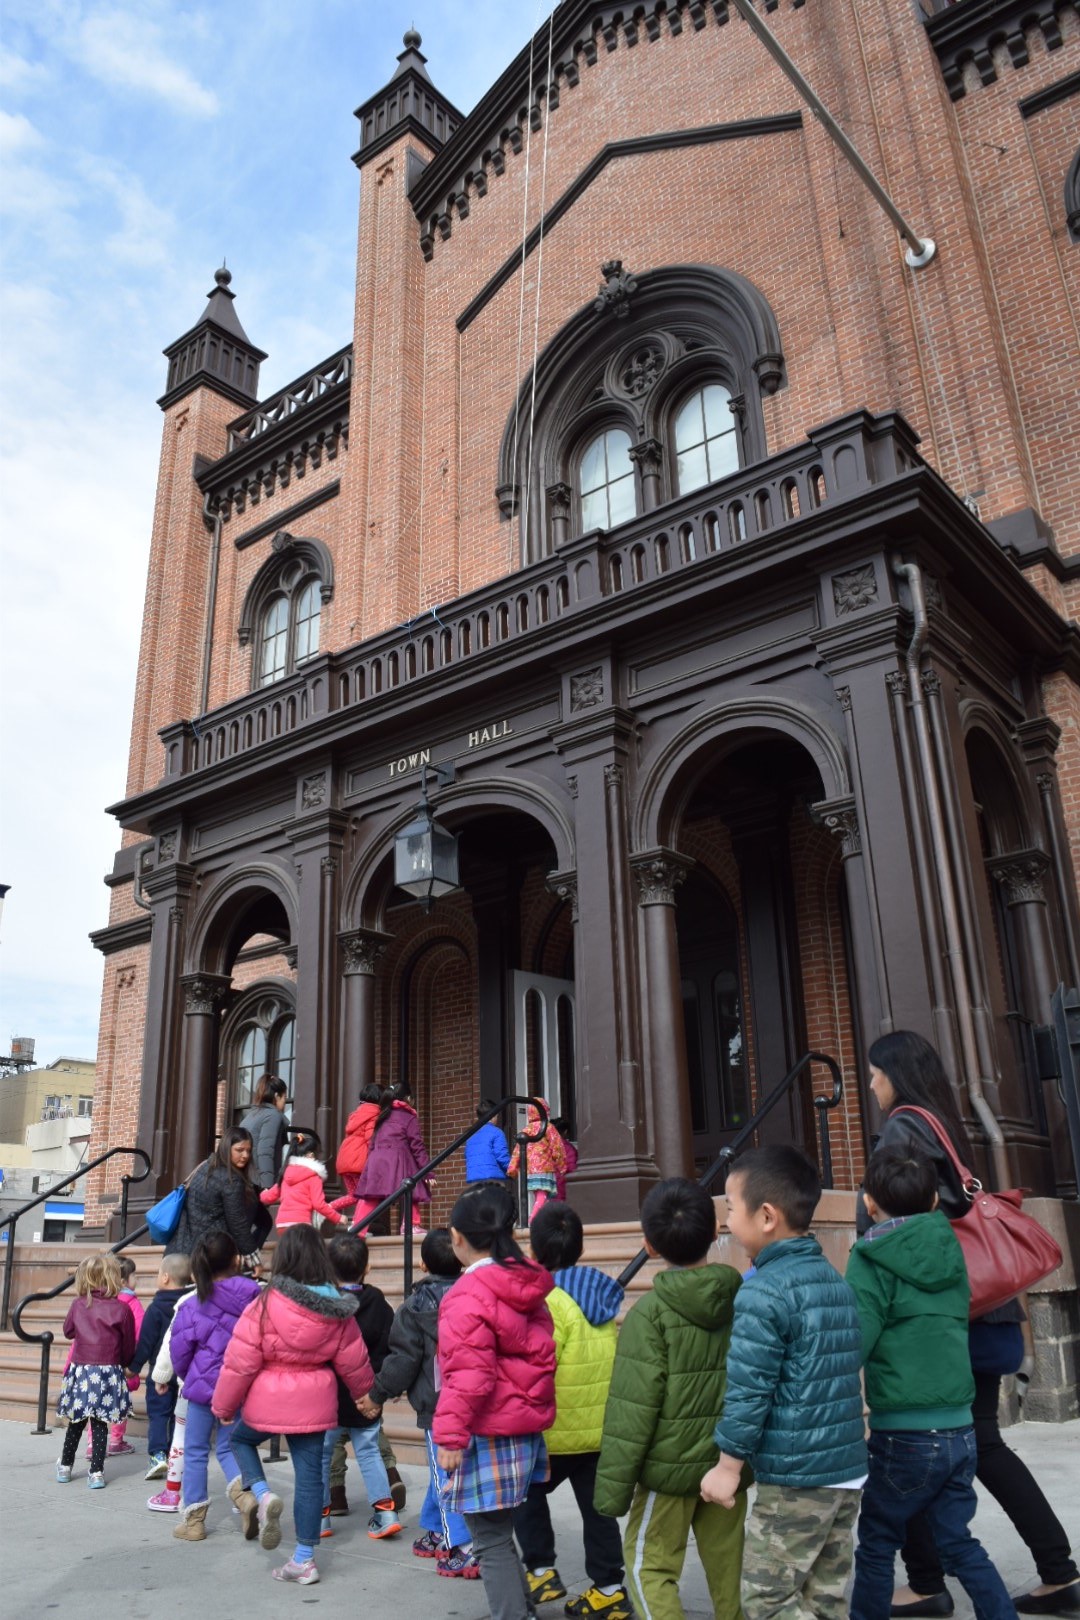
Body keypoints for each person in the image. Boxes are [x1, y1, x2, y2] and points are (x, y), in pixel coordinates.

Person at [868, 1030, 1080, 1618]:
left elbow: (901, 1226)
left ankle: (928, 1583)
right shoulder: (944, 1122)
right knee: (982, 1444)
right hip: (986, 1312)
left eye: (875, 1074)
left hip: (943, 1322)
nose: (871, 1085)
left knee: (909, 1448)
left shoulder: (903, 1127)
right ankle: (1057, 1572)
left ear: (894, 1074)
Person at [846, 1146, 1015, 1620]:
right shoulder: (952, 1247)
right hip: (961, 1430)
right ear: (936, 1204)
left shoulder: (870, 1257)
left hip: (905, 1432)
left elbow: (856, 1342)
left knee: (878, 1543)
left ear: (869, 1203)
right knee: (959, 1543)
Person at [702, 1146, 866, 1620]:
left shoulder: (763, 1290)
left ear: (767, 1216)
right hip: (845, 1467)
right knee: (825, 1597)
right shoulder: (833, 1280)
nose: (727, 1221)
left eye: (731, 1207)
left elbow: (750, 1388)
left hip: (796, 1477)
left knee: (767, 1600)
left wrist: (728, 1466)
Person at [596, 1178, 744, 1620]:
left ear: (650, 1245)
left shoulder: (649, 1316)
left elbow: (632, 1409)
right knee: (730, 1568)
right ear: (716, 1230)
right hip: (728, 1461)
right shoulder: (745, 1299)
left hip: (668, 1470)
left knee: (648, 1568)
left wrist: (612, 1492)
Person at [212, 1224, 374, 1587]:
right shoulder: (336, 1306)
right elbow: (354, 1359)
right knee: (310, 1477)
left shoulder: (264, 1304)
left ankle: (263, 1492)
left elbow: (240, 1362)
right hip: (315, 1402)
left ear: (282, 1258)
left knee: (240, 1440)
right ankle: (304, 1559)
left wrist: (224, 1406)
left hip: (266, 1400)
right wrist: (367, 1396)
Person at [432, 1182, 556, 1620]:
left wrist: (448, 1434)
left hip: (484, 1429)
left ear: (458, 1238)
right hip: (518, 1426)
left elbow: (469, 1373)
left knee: (489, 1538)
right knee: (499, 1533)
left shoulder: (467, 1294)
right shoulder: (522, 1283)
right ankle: (522, 1611)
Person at [516, 1200, 629, 1619]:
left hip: (553, 1431)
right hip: (598, 1429)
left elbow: (540, 1363)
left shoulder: (548, 1301)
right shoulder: (600, 1294)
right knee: (599, 1514)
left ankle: (542, 1569)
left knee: (525, 1494)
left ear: (537, 1250)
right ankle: (610, 1589)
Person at [361, 1226, 472, 1573]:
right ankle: (438, 1528)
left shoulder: (413, 1309)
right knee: (448, 1470)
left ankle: (463, 1544)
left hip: (436, 1404)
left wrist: (377, 1393)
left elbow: (402, 1361)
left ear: (423, 1266)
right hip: (471, 1397)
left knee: (446, 1474)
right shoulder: (474, 1295)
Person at [168, 1230, 261, 1542]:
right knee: (229, 1447)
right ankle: (244, 1495)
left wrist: (191, 1375)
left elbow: (179, 1353)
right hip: (242, 1385)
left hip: (202, 1389)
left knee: (194, 1450)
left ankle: (194, 1521)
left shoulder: (192, 1304)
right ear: (236, 1259)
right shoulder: (256, 1295)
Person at [318, 1230, 402, 1541]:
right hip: (367, 1394)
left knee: (322, 1455)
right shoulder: (378, 1301)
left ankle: (321, 1518)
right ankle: (385, 1512)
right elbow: (390, 1344)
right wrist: (384, 1386)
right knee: (369, 1452)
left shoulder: (323, 1305)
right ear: (367, 1268)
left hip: (327, 1398)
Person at [56, 1253, 137, 1489]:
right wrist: (125, 1364)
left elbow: (68, 1331)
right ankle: (97, 1472)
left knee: (77, 1421)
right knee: (101, 1422)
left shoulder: (79, 1304)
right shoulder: (122, 1309)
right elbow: (128, 1346)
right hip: (108, 1371)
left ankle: (65, 1467)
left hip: (82, 1371)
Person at [128, 1250, 193, 1481]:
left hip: (160, 1372)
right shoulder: (193, 1304)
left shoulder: (156, 1309)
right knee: (181, 1416)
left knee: (158, 1414)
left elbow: (146, 1342)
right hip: (187, 1372)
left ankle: (157, 1456)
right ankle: (178, 1455)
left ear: (165, 1277)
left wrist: (134, 1367)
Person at [146, 1266, 199, 1513]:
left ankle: (172, 1491)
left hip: (188, 1382)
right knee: (228, 1444)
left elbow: (168, 1342)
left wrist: (159, 1374)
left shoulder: (186, 1303)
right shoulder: (245, 1297)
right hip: (228, 1383)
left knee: (177, 1432)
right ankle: (244, 1494)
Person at [174, 1127, 270, 1262]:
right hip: (213, 1251)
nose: (246, 1155)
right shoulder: (230, 1179)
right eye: (240, 1150)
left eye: (248, 1150)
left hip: (186, 1246)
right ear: (226, 1148)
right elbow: (237, 1224)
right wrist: (253, 1259)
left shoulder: (205, 1166)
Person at [351, 1081, 434, 1234]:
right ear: (408, 1098)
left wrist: (371, 1163)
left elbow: (373, 1141)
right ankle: (411, 1225)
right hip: (398, 1158)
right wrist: (427, 1171)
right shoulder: (408, 1116)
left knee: (370, 1194)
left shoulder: (383, 1114)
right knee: (412, 1186)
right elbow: (417, 1146)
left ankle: (358, 1227)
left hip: (376, 1159)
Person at [259, 1130, 344, 1231]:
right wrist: (338, 1218)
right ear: (311, 1155)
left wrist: (263, 1193)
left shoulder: (285, 1174)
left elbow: (267, 1198)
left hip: (282, 1224)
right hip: (301, 1224)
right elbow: (318, 1204)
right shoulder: (313, 1177)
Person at [103, 1255, 144, 1456]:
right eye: (134, 1275)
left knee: (98, 1405)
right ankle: (116, 1441)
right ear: (123, 1281)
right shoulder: (132, 1304)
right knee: (120, 1403)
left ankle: (93, 1445)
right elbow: (140, 1333)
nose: (137, 1279)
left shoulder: (101, 1301)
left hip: (101, 1363)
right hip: (123, 1363)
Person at [507, 1099, 568, 1216]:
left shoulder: (527, 1129)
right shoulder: (547, 1127)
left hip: (530, 1169)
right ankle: (533, 1219)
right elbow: (557, 1146)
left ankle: (541, 1219)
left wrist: (513, 1168)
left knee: (539, 1196)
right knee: (543, 1196)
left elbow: (517, 1150)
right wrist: (562, 1165)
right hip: (545, 1167)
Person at [332, 1082, 385, 1211]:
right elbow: (371, 1139)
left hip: (345, 1161)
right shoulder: (374, 1115)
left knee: (354, 1195)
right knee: (365, 1195)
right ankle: (358, 1225)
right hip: (359, 1162)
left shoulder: (355, 1115)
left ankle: (327, 1208)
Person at [239, 1074, 290, 1191]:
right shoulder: (273, 1115)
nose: (284, 1103)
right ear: (277, 1096)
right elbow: (265, 1152)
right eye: (284, 1098)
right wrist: (268, 1186)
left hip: (246, 1179)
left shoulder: (252, 1114)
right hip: (259, 1184)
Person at [464, 1099, 511, 1185]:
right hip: (493, 1177)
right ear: (493, 1115)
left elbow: (467, 1155)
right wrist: (513, 1169)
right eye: (497, 1115)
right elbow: (502, 1157)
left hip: (474, 1178)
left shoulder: (470, 1135)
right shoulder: (497, 1132)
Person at [551, 1118, 578, 1202]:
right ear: (565, 1132)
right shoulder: (568, 1148)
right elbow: (572, 1167)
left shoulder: (547, 1146)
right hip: (562, 1184)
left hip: (548, 1182)